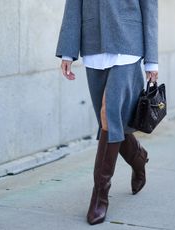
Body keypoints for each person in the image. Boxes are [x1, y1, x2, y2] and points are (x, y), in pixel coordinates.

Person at [55, 0, 158, 225]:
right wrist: (67, 51)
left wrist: (151, 59)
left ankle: (100, 195)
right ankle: (138, 158)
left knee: (108, 115)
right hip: (93, 44)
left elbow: (150, 8)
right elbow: (74, 6)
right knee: (110, 121)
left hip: (128, 45)